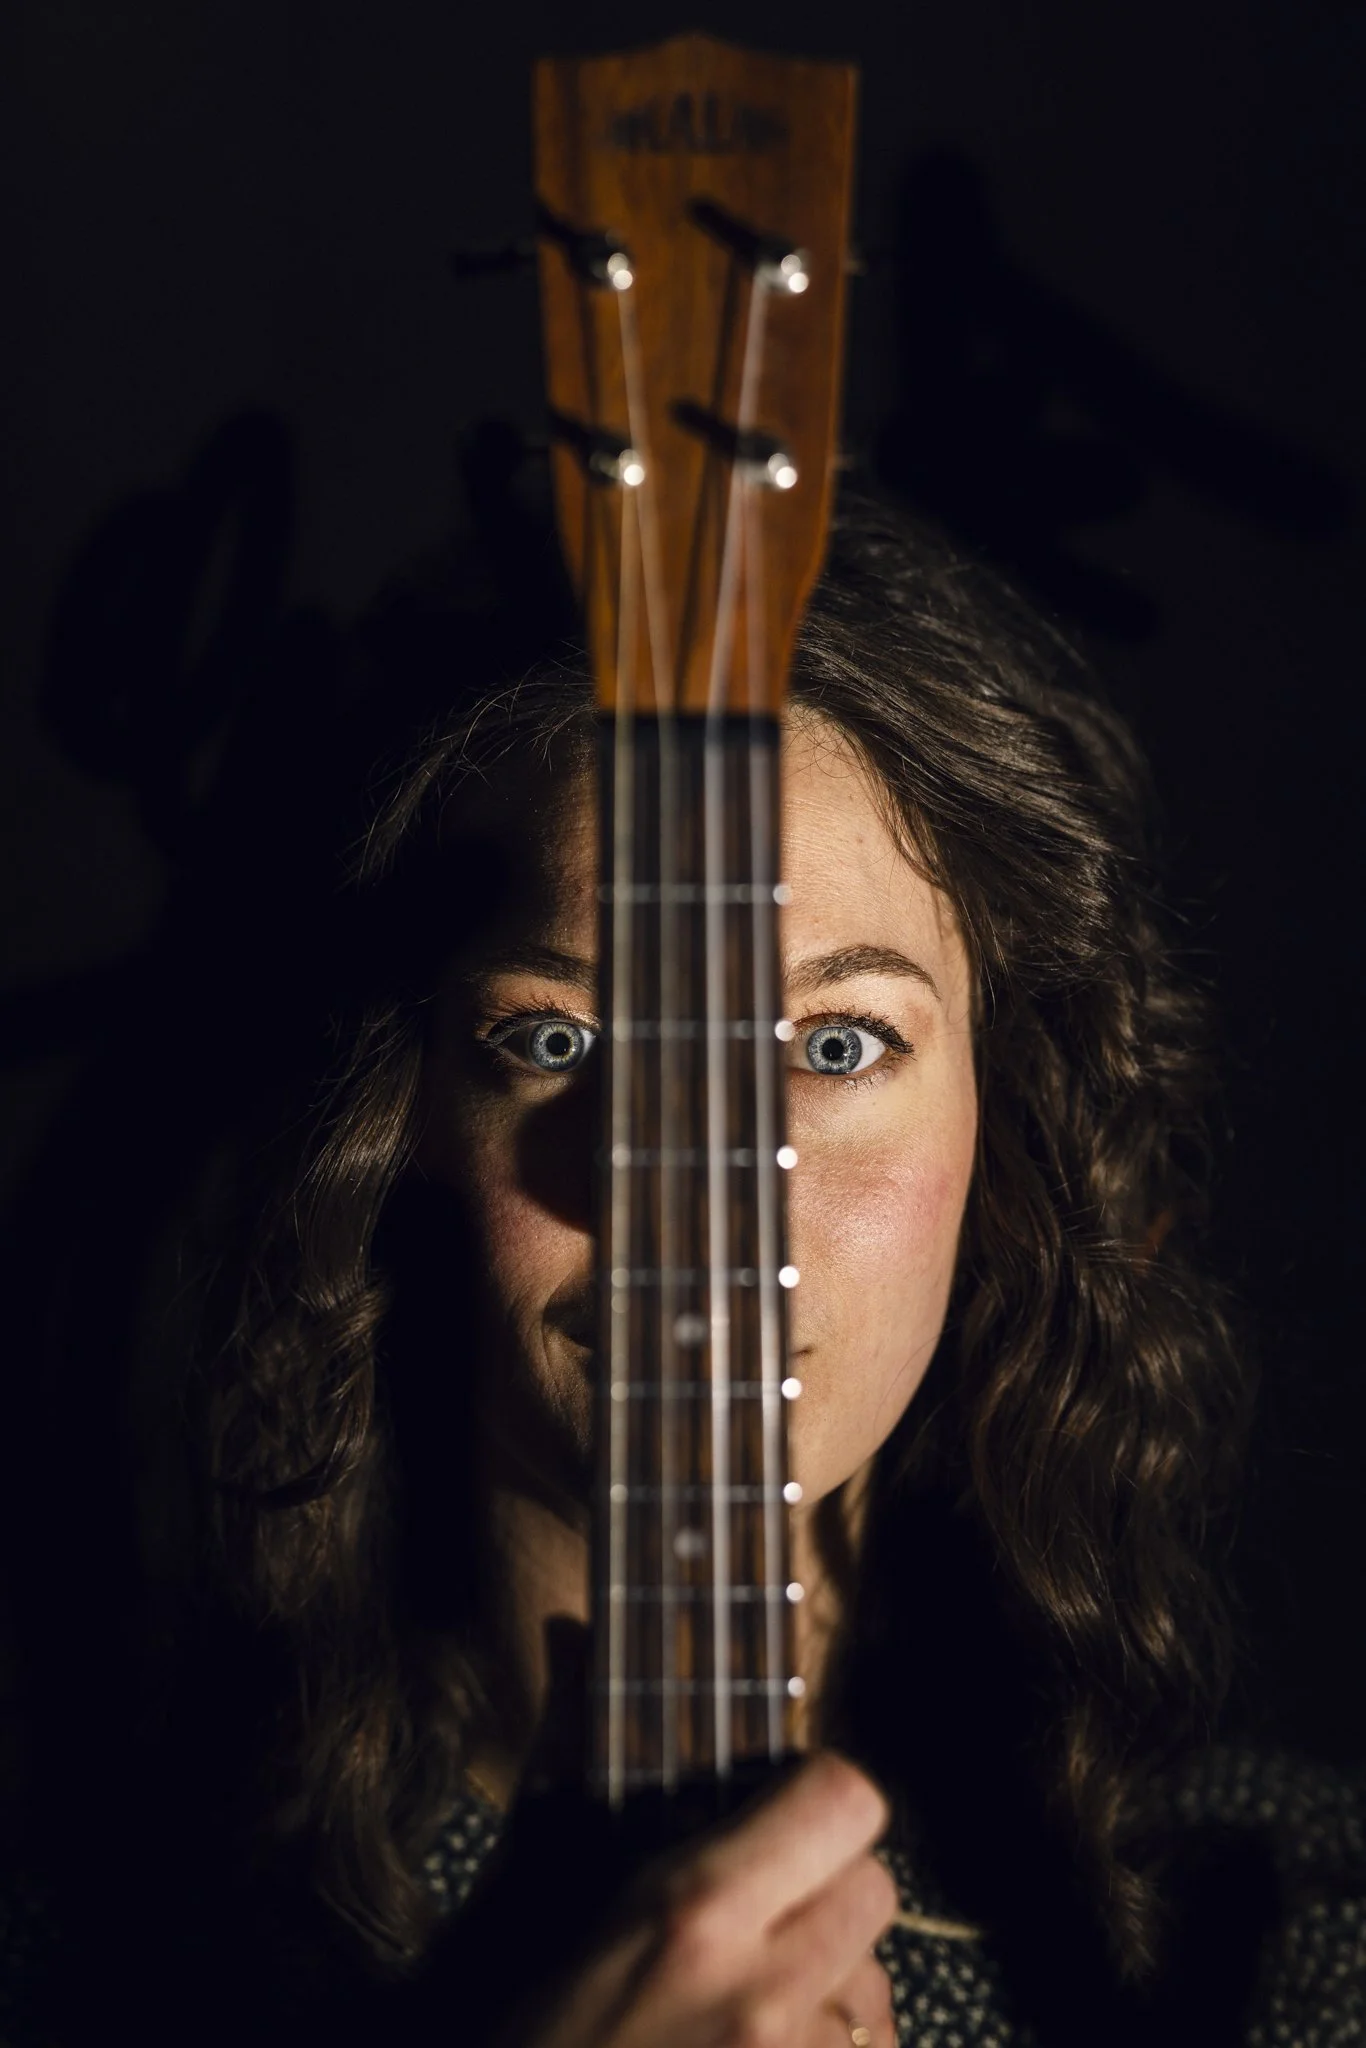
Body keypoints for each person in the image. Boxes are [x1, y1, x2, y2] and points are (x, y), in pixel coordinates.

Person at [5, 499, 1362, 2047]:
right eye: (559, 1039)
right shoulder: (88, 1970)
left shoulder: (1292, 1946)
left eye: (834, 1046)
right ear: (399, 1127)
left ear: (1001, 1127)